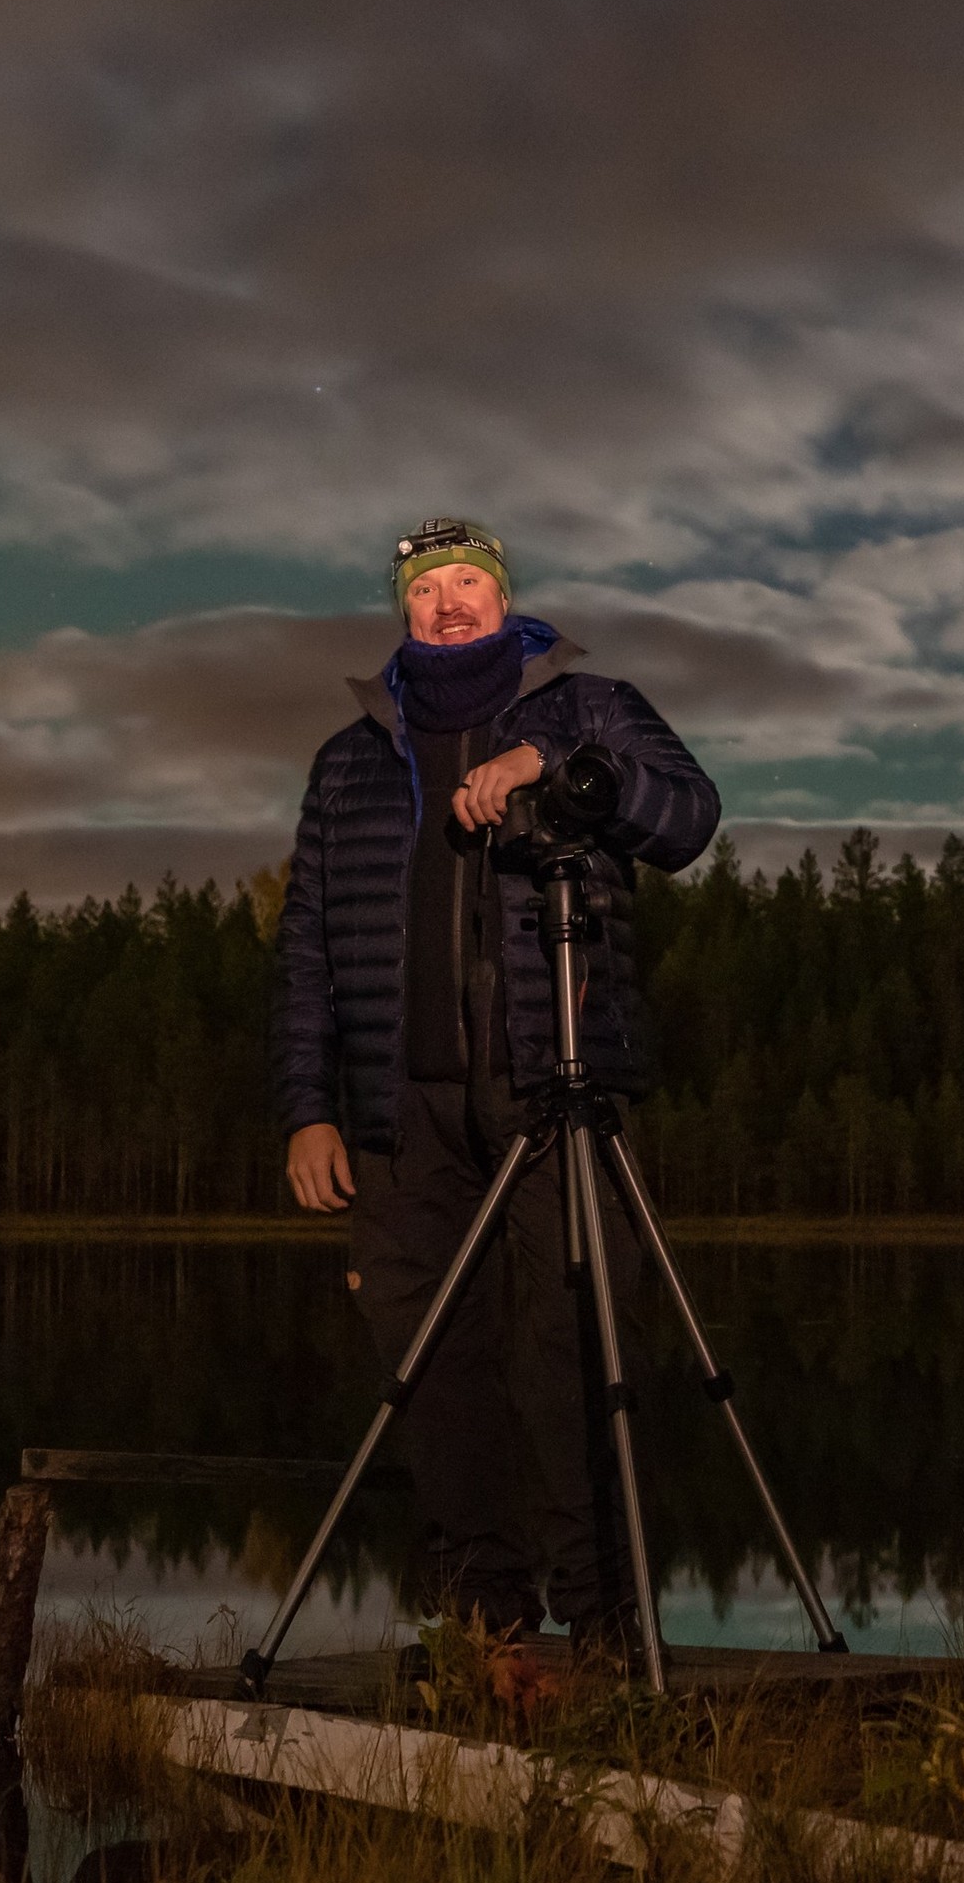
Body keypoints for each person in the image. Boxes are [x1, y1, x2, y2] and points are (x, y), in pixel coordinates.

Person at [273, 518, 721, 1659]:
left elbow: (690, 818)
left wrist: (558, 771)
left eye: (471, 581)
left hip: (553, 1085)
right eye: (430, 589)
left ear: (506, 599)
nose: (452, 602)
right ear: (405, 611)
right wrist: (308, 1108)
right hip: (396, 1108)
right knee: (430, 1357)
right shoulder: (350, 760)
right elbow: (306, 948)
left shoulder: (590, 708)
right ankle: (490, 1611)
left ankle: (607, 1609)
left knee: (577, 1344)